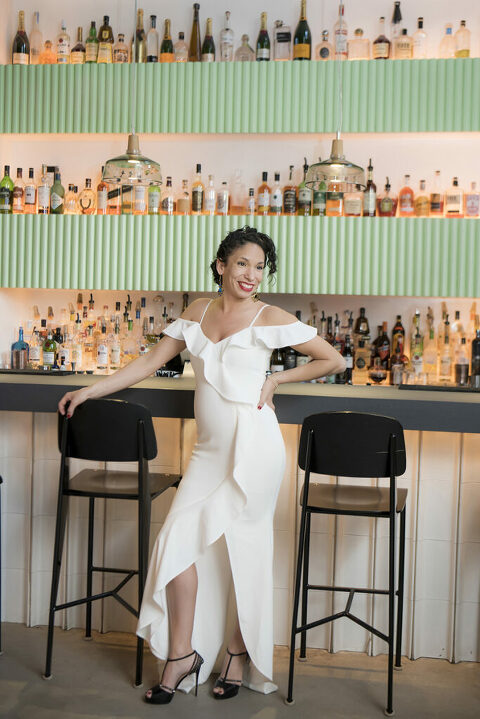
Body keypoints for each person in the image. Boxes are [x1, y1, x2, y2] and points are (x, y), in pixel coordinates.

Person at [58, 226, 345, 704]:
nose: (251, 275)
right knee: (174, 545)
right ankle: (182, 654)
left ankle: (236, 652)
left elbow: (332, 359)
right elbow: (149, 362)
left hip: (256, 448)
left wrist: (277, 380)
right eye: (242, 264)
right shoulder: (196, 312)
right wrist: (89, 390)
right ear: (221, 266)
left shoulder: (270, 316)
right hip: (207, 453)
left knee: (244, 551)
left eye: (259, 267)